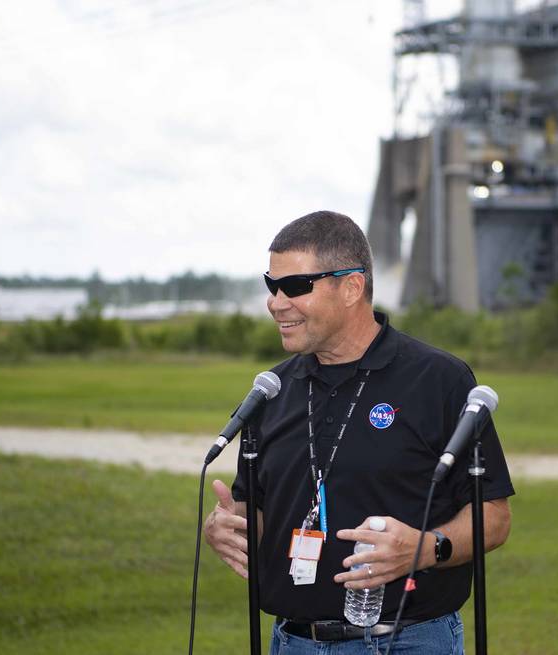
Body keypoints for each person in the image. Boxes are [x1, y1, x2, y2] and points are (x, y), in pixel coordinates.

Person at [204, 211, 514, 654]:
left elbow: (495, 517)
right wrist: (227, 527)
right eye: (271, 285)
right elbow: (257, 514)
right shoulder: (271, 391)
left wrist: (426, 549)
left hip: (406, 642)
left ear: (352, 286)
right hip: (293, 641)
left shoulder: (438, 380)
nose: (276, 302)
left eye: (295, 286)